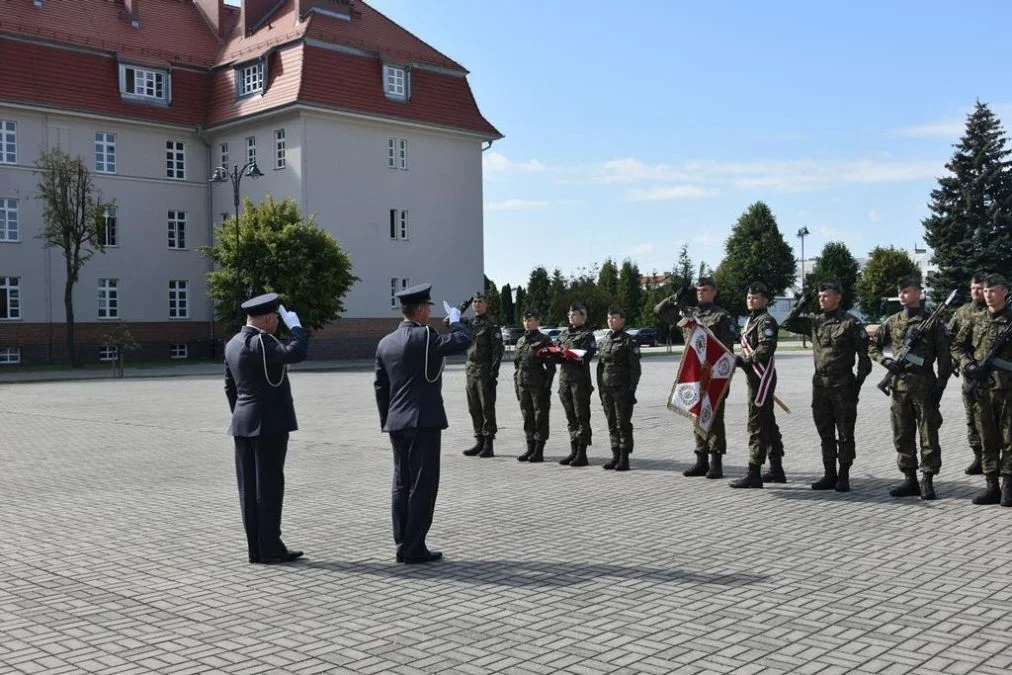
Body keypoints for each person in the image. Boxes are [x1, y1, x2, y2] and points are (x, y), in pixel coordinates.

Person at [374, 283, 471, 563]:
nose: (430, 311)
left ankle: (403, 542)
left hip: (396, 422)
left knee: (401, 482)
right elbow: (462, 342)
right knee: (422, 484)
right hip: (423, 422)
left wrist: (388, 420)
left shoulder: (385, 342)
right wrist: (457, 322)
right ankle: (414, 547)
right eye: (428, 306)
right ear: (418, 310)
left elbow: (380, 387)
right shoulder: (426, 336)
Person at [224, 292, 309, 564]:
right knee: (269, 487)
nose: (277, 325)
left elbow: (230, 387)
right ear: (269, 318)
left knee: (249, 489)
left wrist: (242, 414)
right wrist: (296, 328)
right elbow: (295, 353)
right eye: (276, 320)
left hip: (243, 423)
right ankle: (270, 547)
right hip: (269, 423)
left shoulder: (234, 343)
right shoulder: (261, 342)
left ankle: (257, 547)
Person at [781, 280, 872, 492]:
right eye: (820, 296)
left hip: (843, 386)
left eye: (826, 295)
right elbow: (786, 324)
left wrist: (856, 387)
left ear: (838, 297)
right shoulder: (815, 321)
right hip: (820, 386)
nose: (822, 299)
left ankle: (843, 475)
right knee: (825, 433)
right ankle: (829, 474)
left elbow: (864, 360)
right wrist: (803, 301)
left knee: (845, 433)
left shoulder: (851, 323)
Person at [869, 276, 951, 500]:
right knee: (902, 434)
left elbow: (945, 358)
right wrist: (885, 361)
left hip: (925, 387)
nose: (903, 295)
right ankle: (909, 479)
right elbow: (872, 346)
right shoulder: (892, 321)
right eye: (900, 292)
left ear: (918, 293)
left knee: (928, 434)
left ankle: (927, 480)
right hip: (899, 388)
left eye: (907, 291)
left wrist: (941, 387)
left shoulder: (932, 322)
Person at [655, 276, 737, 479]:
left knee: (714, 418)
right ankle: (701, 460)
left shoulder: (721, 316)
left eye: (706, 289)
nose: (701, 292)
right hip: (693, 376)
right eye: (699, 290)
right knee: (696, 415)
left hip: (714, 375)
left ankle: (715, 462)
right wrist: (675, 297)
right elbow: (659, 311)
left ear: (714, 292)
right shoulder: (689, 314)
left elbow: (726, 350)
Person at [951, 273, 1012, 506]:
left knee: (1009, 440)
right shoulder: (976, 319)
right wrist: (969, 365)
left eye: (993, 291)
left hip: (1008, 391)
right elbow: (956, 345)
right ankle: (991, 486)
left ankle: (1008, 486)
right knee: (987, 439)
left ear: (1005, 292)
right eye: (985, 291)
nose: (988, 295)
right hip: (982, 392)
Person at [729, 282, 785, 489]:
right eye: (749, 297)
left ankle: (754, 472)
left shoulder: (766, 321)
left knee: (757, 424)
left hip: (761, 379)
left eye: (756, 297)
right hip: (754, 377)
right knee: (767, 422)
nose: (751, 300)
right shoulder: (751, 321)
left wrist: (745, 360)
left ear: (765, 300)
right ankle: (777, 469)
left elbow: (766, 347)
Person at [947, 272, 988, 475]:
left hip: (992, 377)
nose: (976, 292)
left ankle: (995, 459)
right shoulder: (962, 312)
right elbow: (950, 339)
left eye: (980, 288)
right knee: (971, 416)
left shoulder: (995, 311)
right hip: (969, 374)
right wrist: (959, 361)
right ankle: (978, 457)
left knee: (994, 419)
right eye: (973, 288)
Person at [459, 292, 504, 458]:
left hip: (485, 372)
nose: (477, 304)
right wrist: (463, 305)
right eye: (475, 302)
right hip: (471, 370)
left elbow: (498, 351)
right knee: (474, 408)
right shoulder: (469, 323)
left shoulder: (491, 324)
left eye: (480, 302)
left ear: (486, 305)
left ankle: (488, 444)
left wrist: (494, 372)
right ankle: (479, 441)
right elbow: (448, 321)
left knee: (487, 408)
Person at [596, 305, 641, 471]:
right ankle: (615, 455)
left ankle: (624, 457)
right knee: (611, 423)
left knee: (623, 424)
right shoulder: (605, 340)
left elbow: (635, 369)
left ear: (622, 320)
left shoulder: (629, 340)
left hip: (622, 389)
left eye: (614, 317)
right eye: (609, 318)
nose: (611, 320)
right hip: (607, 388)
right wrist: (600, 388)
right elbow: (600, 367)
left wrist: (631, 390)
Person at [555, 301, 597, 466]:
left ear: (583, 317)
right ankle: (573, 450)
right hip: (565, 380)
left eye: (575, 314)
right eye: (570, 314)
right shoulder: (563, 334)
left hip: (580, 382)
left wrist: (570, 354)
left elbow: (587, 355)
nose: (571, 316)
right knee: (570, 417)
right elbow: (557, 351)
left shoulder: (587, 334)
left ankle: (582, 453)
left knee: (581, 417)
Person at [514, 309, 556, 463]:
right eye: (525, 320)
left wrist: (547, 386)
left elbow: (551, 367)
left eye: (531, 320)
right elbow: (516, 366)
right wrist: (516, 385)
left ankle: (539, 449)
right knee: (527, 416)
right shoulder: (520, 341)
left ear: (538, 321)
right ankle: (530, 446)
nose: (527, 323)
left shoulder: (544, 340)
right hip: (523, 384)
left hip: (538, 384)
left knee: (540, 416)